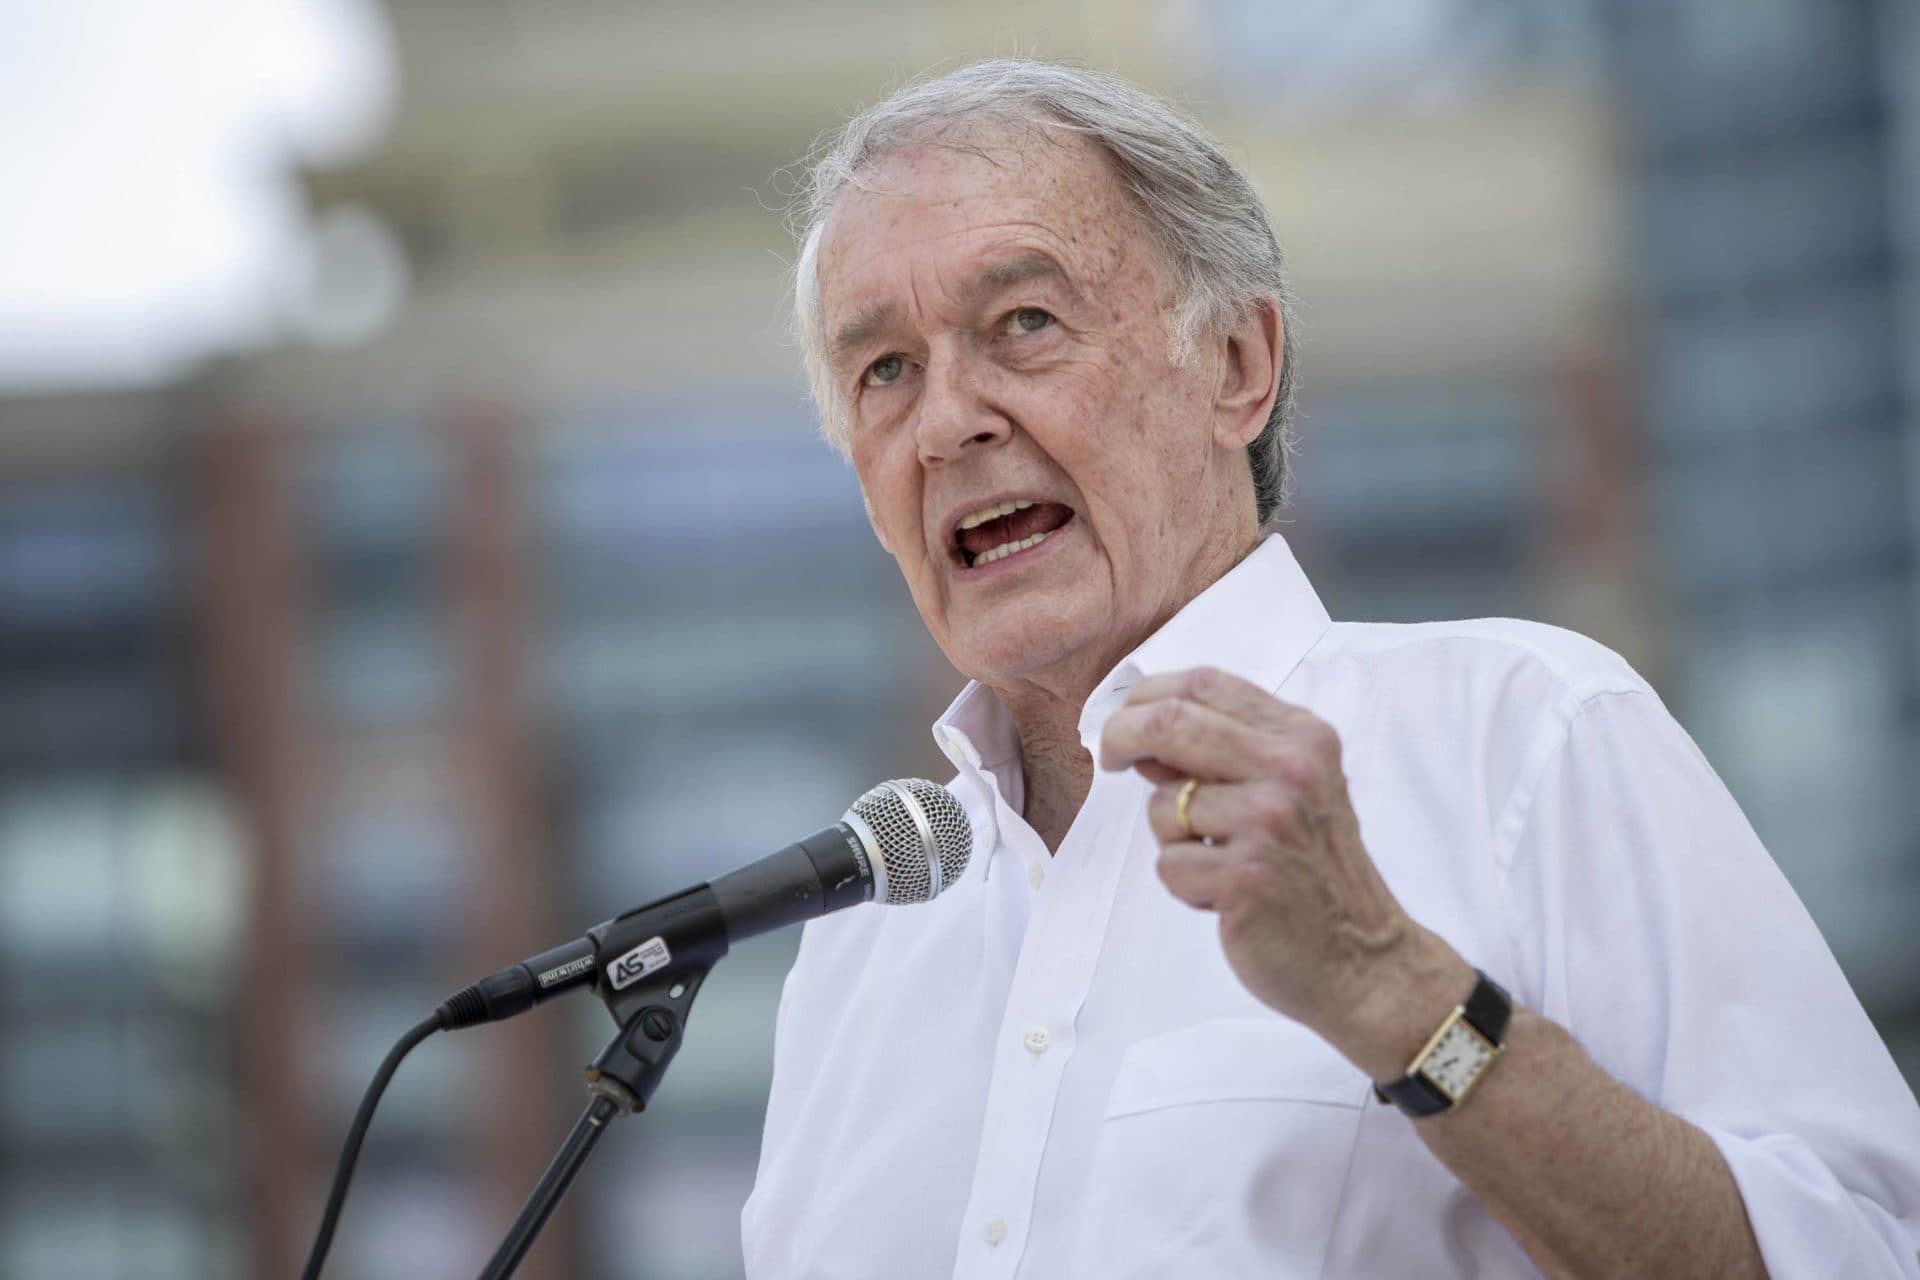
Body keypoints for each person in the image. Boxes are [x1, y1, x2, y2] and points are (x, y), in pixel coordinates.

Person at [740, 59, 1920, 1278]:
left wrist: (1397, 991)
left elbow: (1862, 1251)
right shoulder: (861, 942)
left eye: (1023, 324)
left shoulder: (1523, 734)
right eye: (883, 370)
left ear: (1238, 365)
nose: (945, 424)